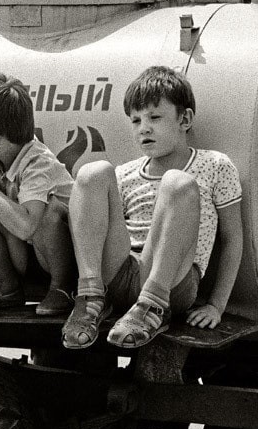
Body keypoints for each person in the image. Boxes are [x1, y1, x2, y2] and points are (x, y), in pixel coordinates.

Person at [62, 66, 243, 349]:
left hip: (172, 283)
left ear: (185, 119)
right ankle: (90, 297)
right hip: (120, 274)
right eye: (135, 121)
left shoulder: (215, 165)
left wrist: (216, 306)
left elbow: (233, 238)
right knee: (92, 172)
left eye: (155, 117)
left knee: (177, 182)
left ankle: (153, 306)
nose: (143, 128)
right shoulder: (126, 173)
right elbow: (104, 229)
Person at [0, 73, 76, 315]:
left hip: (62, 255)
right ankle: (8, 287)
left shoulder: (38, 164)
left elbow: (27, 227)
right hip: (28, 252)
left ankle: (62, 288)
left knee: (47, 212)